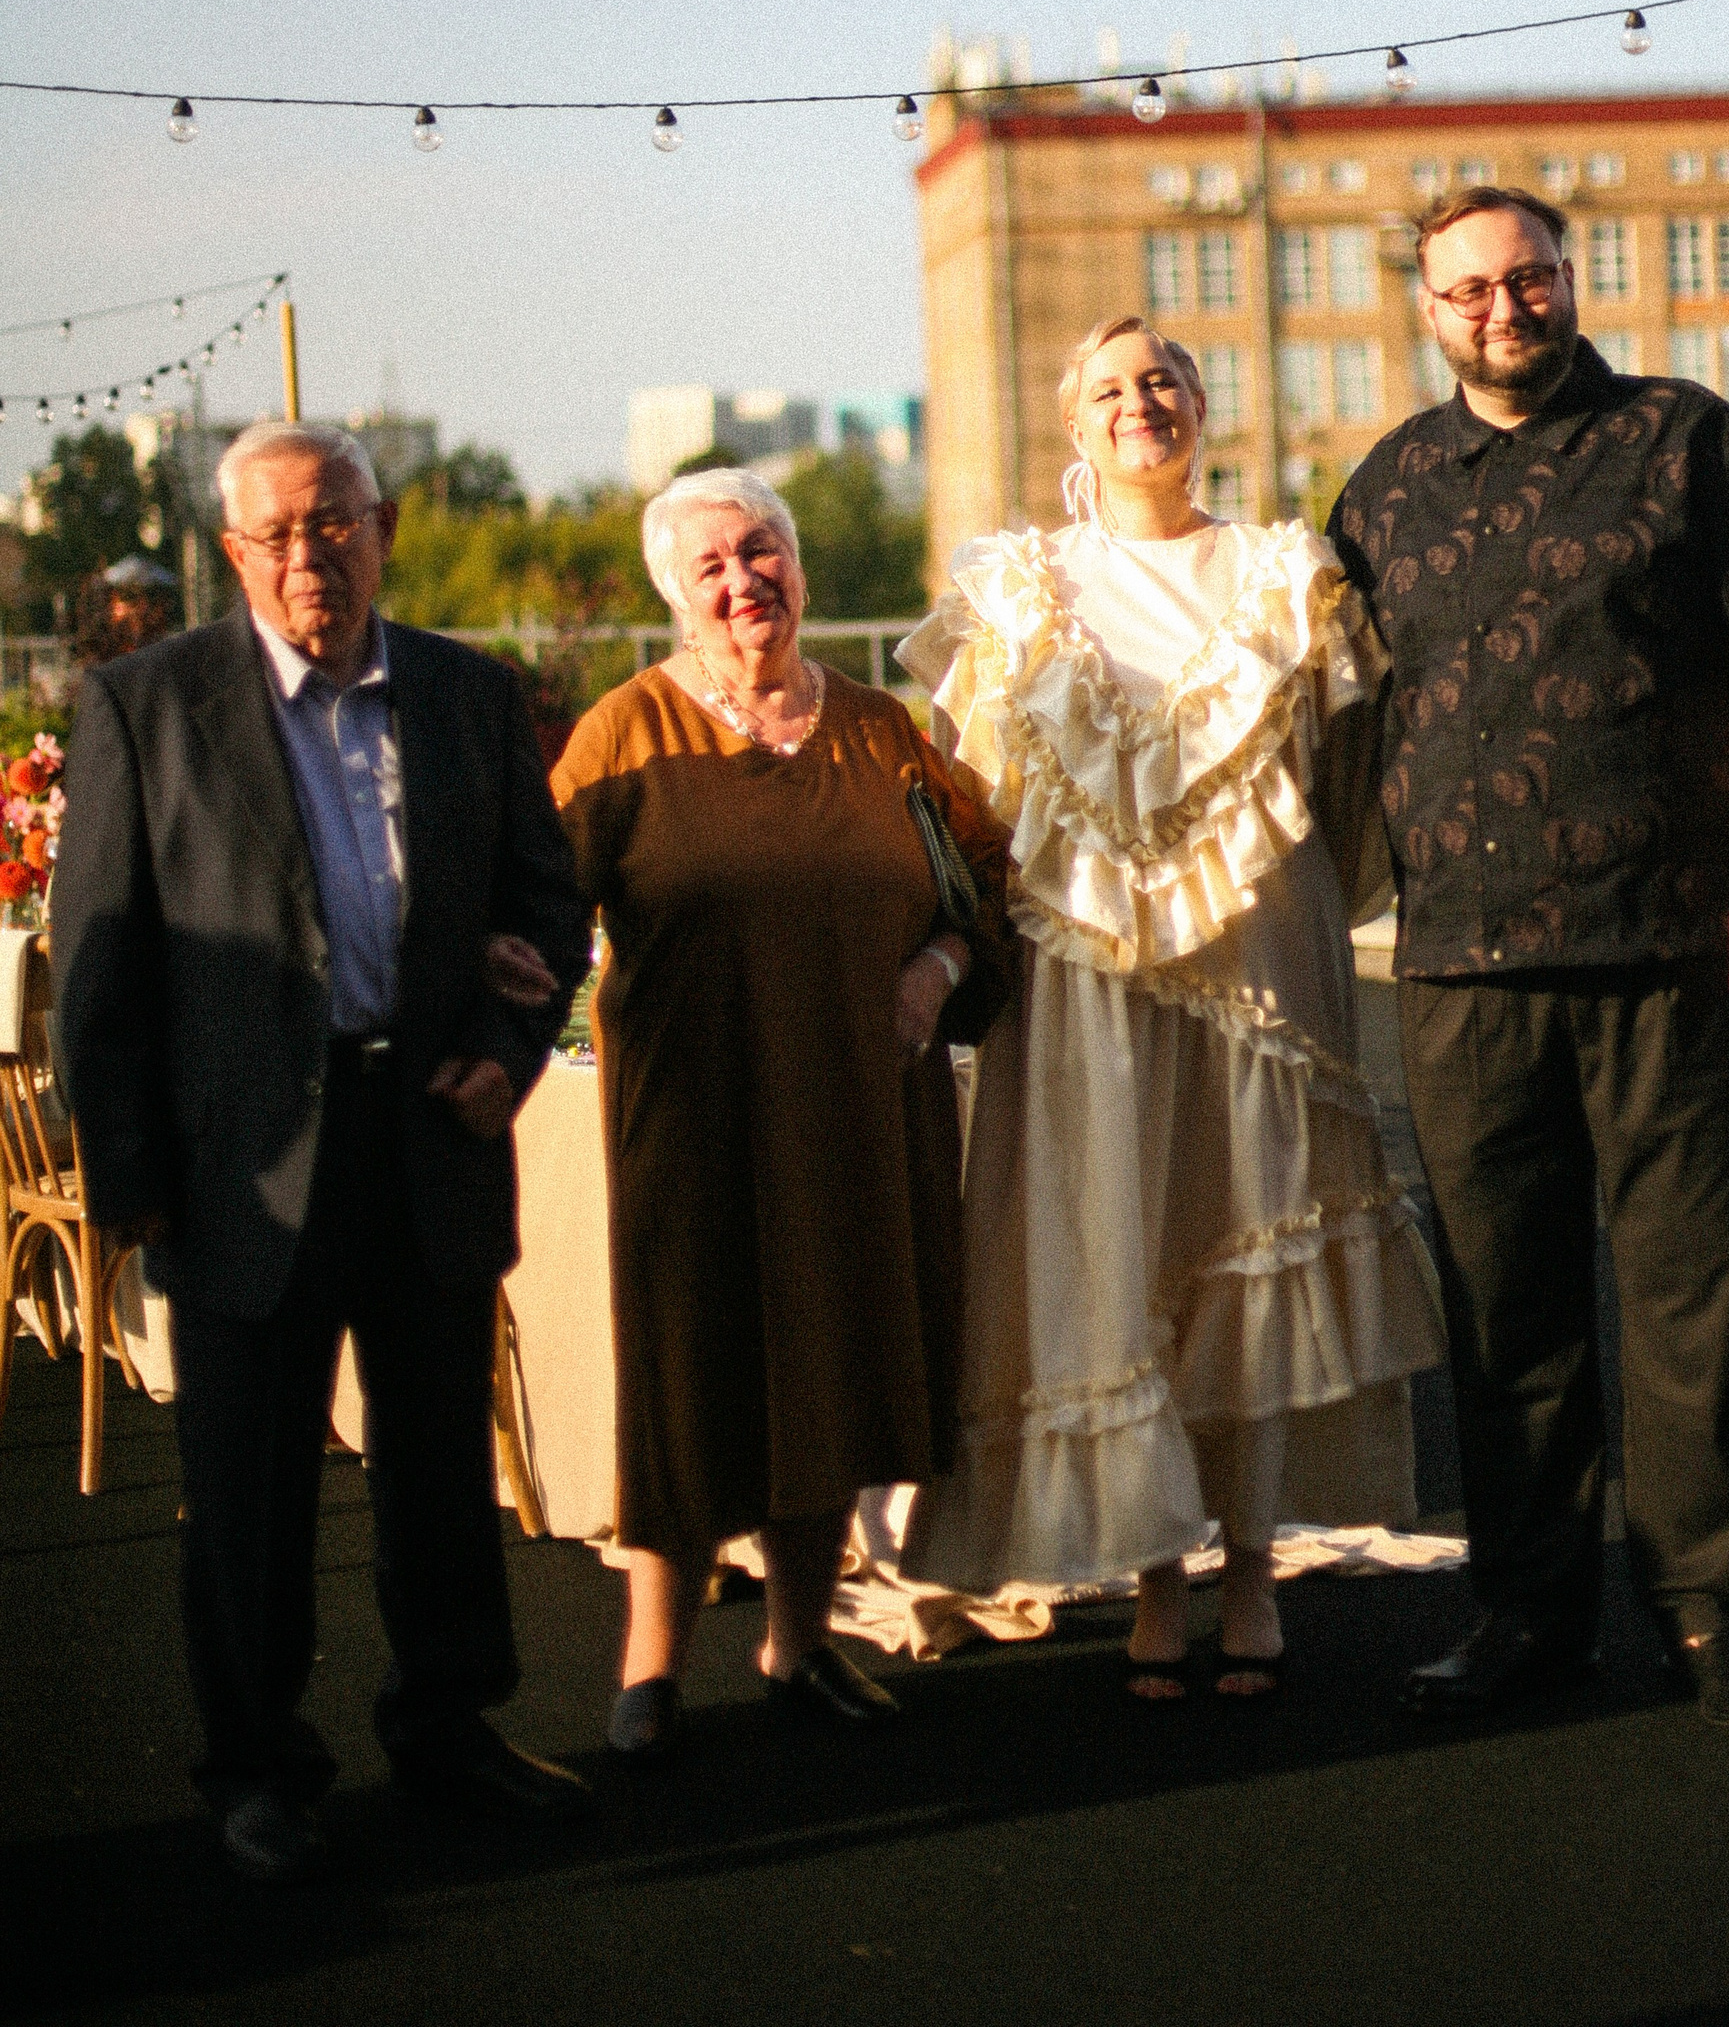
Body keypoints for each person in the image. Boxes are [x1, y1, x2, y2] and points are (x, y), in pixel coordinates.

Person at [1331, 186, 1729, 1728]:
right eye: (1470, 290)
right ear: (1429, 310)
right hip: (1462, 964)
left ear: (1570, 278)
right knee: (1508, 1312)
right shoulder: (1384, 490)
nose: (1504, 308)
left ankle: (1707, 1612)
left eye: (1530, 277)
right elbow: (1307, 705)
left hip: (1679, 947)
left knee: (1696, 1298)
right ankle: (1529, 1612)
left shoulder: (1684, 438)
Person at [52, 421, 593, 1881]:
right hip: (244, 1167)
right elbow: (94, 975)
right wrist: (133, 1188)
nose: (312, 555)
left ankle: (448, 1729)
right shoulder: (145, 708)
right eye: (279, 531)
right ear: (233, 552)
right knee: (249, 1489)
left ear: (385, 528)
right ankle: (255, 1770)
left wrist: (510, 1047)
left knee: (439, 1470)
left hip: (429, 1132)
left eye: (336, 522)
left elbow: (549, 910)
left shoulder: (472, 697)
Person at [898, 317, 1445, 1699]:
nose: (1138, 402)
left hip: (1261, 972)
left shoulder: (1288, 575)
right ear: (1073, 425)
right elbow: (962, 800)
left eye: (1161, 379)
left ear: (1201, 403)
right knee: (1115, 1247)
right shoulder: (1010, 588)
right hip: (1080, 982)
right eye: (1109, 388)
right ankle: (1154, 1569)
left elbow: (1349, 781)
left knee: (1249, 1243)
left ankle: (1249, 1569)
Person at [546, 467, 1013, 1763]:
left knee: (840, 1366)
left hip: (862, 1108)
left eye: (763, 551)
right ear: (673, 594)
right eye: (711, 566)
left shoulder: (881, 731)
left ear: (800, 568)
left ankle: (799, 1648)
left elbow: (981, 887)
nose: (744, 580)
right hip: (696, 1120)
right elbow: (532, 906)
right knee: (690, 1377)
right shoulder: (625, 735)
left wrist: (939, 969)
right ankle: (650, 1668)